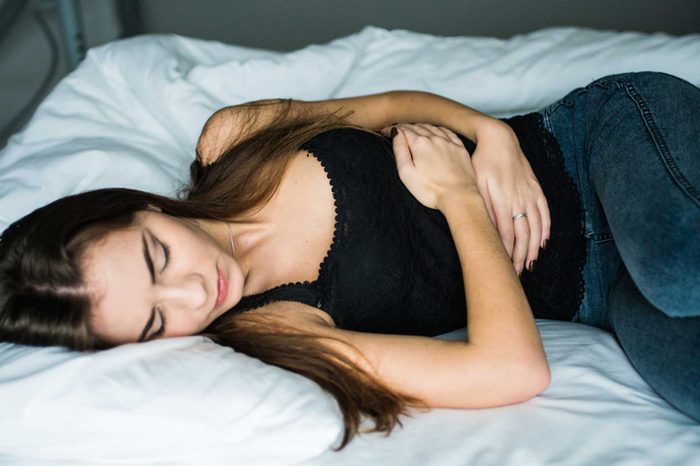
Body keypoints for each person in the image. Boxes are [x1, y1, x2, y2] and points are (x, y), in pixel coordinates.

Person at [0, 71, 698, 449]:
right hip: (599, 292)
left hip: (593, 142)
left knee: (678, 266)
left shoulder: (233, 140)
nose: (191, 293)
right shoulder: (281, 333)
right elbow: (512, 370)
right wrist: (456, 199)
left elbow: (392, 103)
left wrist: (489, 136)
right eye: (155, 324)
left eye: (157, 258)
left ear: (143, 209)